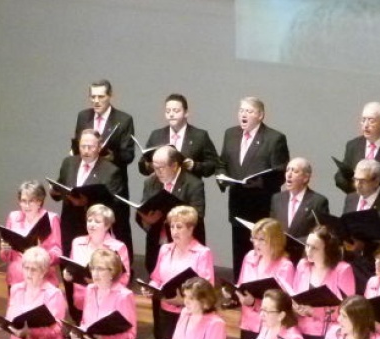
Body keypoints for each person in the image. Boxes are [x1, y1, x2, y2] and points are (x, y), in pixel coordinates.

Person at [144, 205, 215, 339]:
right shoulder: (165, 250)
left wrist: (182, 300)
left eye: (180, 227)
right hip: (167, 312)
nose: (175, 231)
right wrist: (151, 287)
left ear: (191, 228)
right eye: (172, 226)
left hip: (190, 317)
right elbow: (156, 277)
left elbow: (207, 288)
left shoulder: (202, 253)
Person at [219, 96, 291, 278]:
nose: (244, 115)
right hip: (237, 202)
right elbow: (222, 162)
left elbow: (281, 172)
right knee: (239, 248)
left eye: (249, 111)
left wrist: (260, 183)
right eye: (241, 110)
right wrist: (222, 178)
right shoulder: (231, 134)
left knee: (262, 248)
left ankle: (260, 287)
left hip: (261, 204)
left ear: (260, 115)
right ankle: (239, 288)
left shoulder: (274, 138)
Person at [54, 128, 130, 259]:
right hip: (69, 223)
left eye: (90, 147)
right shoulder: (69, 163)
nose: (86, 150)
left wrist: (87, 203)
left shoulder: (111, 170)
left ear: (99, 148)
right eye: (83, 146)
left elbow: (114, 205)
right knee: (67, 263)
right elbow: (60, 184)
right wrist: (55, 191)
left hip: (93, 227)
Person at [136, 145, 206, 279]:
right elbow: (144, 207)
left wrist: (168, 218)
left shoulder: (193, 183)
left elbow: (198, 215)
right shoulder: (150, 181)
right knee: (155, 280)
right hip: (157, 240)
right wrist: (147, 221)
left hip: (184, 244)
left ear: (174, 166)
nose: (157, 172)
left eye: (161, 168)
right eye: (154, 167)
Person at [342, 158, 380, 292]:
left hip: (371, 268)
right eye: (355, 179)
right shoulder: (351, 198)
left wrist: (365, 246)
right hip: (349, 263)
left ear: (377, 180)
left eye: (363, 181)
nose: (357, 185)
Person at [291, 225, 357, 339]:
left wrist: (313, 311)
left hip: (328, 336)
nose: (308, 251)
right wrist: (295, 306)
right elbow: (294, 295)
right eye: (307, 245)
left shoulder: (342, 270)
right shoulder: (302, 265)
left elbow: (349, 310)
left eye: (314, 248)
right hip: (299, 331)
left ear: (327, 250)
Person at [74, 79, 136, 213]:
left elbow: (128, 155)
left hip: (112, 183)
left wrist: (112, 156)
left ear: (110, 96)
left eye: (101, 96)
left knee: (117, 226)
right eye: (93, 97)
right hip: (86, 180)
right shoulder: (83, 116)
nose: (96, 101)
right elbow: (78, 143)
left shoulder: (124, 119)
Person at [64, 204, 131, 322]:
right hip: (81, 300)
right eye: (89, 220)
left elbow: (124, 279)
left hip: (107, 302)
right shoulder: (77, 242)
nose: (92, 224)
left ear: (107, 225)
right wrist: (67, 274)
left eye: (97, 221)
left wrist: (99, 283)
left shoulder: (118, 247)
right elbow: (72, 267)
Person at [137, 93, 220, 179]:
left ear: (186, 113)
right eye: (168, 111)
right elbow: (143, 167)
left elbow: (214, 164)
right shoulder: (156, 135)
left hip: (190, 189)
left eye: (176, 111)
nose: (171, 114)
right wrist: (151, 165)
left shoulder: (199, 136)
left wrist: (194, 165)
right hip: (162, 188)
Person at [0, 180, 62, 287]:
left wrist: (41, 253)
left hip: (42, 279)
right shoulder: (13, 217)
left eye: (31, 201)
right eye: (23, 201)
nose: (26, 205)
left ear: (39, 201)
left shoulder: (51, 219)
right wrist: (5, 250)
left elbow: (58, 253)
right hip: (16, 278)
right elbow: (7, 257)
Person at [269, 157, 330, 245]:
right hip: (279, 251)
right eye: (287, 170)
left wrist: (295, 243)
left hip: (303, 252)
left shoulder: (318, 201)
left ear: (305, 177)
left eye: (295, 171)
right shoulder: (277, 198)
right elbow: (271, 227)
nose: (289, 175)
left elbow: (320, 234)